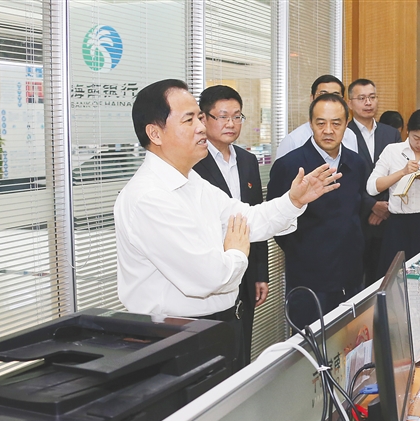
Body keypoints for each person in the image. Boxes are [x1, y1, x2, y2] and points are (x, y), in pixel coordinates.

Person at [115, 79, 341, 363]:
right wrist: (236, 251)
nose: (201, 127)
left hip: (214, 325)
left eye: (200, 117)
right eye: (189, 120)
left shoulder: (192, 182)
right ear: (155, 133)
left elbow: (247, 218)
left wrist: (293, 201)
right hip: (175, 338)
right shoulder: (149, 197)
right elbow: (209, 277)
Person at [267, 93, 370, 330]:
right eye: (321, 123)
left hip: (350, 276)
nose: (328, 130)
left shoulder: (356, 163)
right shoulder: (290, 166)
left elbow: (358, 213)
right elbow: (276, 221)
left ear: (346, 124)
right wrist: (305, 251)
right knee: (309, 345)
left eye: (336, 123)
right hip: (309, 279)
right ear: (310, 124)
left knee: (350, 341)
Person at [193, 85, 268, 367]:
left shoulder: (247, 161)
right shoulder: (194, 164)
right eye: (223, 116)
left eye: (237, 117)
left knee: (242, 348)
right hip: (212, 273)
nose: (231, 124)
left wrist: (260, 273)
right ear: (203, 119)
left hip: (245, 271)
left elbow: (255, 217)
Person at [367, 108, 420, 279]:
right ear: (407, 131)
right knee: (395, 281)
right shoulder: (392, 151)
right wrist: (402, 172)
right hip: (397, 226)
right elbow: (372, 187)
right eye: (416, 137)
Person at [346, 78, 401, 286]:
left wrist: (385, 206)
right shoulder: (343, 134)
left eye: (372, 97)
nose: (368, 103)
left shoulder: (391, 133)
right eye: (361, 98)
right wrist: (371, 205)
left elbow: (398, 173)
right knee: (356, 281)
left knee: (385, 281)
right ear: (350, 103)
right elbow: (345, 178)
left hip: (388, 218)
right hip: (356, 219)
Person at [274, 75, 358, 159]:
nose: (328, 100)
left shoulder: (350, 135)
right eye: (323, 95)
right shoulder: (292, 140)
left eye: (335, 96)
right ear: (312, 98)